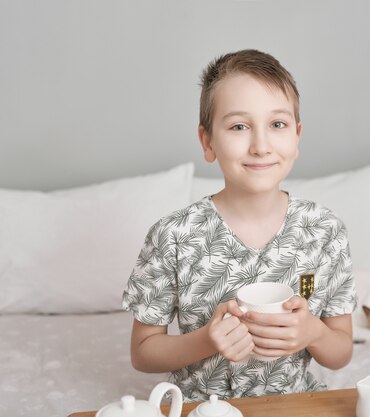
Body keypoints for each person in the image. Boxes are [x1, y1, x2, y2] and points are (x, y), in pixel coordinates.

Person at [122, 49, 356, 402]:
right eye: (238, 127)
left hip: (292, 404)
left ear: (297, 136)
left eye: (277, 124)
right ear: (208, 141)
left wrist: (314, 333)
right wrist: (206, 340)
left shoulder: (325, 232)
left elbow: (341, 352)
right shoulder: (173, 236)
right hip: (203, 407)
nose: (261, 146)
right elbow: (142, 353)